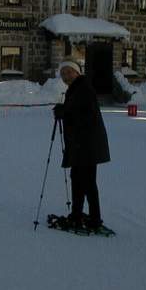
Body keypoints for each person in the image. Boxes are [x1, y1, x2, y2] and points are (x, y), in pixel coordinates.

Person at [53, 59, 111, 229]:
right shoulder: (76, 89)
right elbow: (75, 110)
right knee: (79, 179)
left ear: (77, 72)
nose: (66, 76)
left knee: (87, 181)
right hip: (82, 144)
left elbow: (84, 114)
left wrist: (63, 112)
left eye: (69, 72)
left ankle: (94, 219)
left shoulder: (83, 88)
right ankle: (77, 214)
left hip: (87, 144)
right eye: (63, 73)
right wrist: (64, 111)